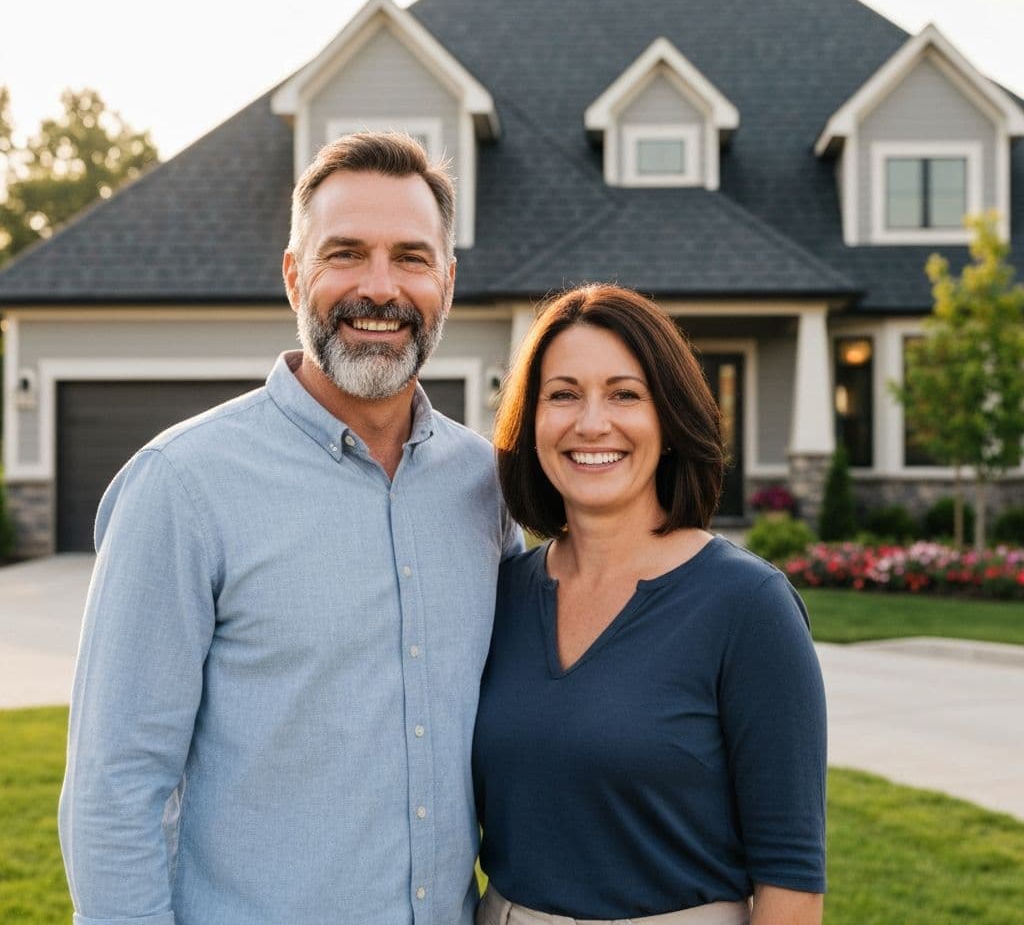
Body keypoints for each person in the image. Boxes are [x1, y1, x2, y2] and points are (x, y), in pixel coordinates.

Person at [59, 132, 522, 925]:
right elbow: (115, 785)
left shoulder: (488, 486)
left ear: (446, 281)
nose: (380, 288)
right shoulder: (182, 487)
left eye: (411, 258)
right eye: (345, 253)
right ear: (293, 274)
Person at [473, 284, 827, 925]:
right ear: (531, 423)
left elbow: (791, 884)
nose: (591, 423)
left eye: (624, 393)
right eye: (563, 394)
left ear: (669, 419)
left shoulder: (749, 607)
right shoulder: (499, 595)